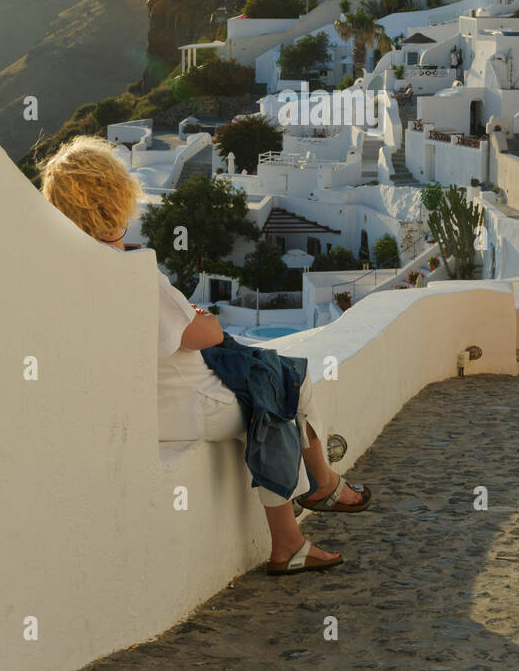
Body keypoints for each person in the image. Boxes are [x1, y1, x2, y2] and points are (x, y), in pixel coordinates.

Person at [38, 136, 371, 576]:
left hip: (147, 407)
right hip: (189, 405)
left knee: (282, 379)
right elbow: (206, 333)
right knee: (282, 393)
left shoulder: (72, 273)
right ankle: (314, 501)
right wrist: (199, 315)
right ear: (117, 195)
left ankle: (311, 507)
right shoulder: (131, 275)